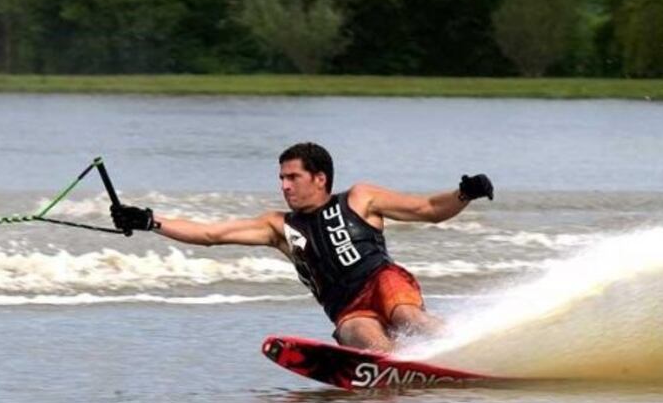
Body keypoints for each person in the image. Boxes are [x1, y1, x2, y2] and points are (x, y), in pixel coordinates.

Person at [111, 142, 493, 353]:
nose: (285, 186)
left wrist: (465, 193)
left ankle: (475, 350)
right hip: (347, 308)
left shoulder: (361, 198)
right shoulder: (278, 226)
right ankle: (407, 374)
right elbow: (210, 234)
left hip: (383, 282)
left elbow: (427, 210)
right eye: (281, 178)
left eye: (293, 177)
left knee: (410, 320)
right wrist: (149, 220)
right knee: (365, 340)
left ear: (320, 177)